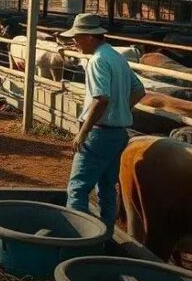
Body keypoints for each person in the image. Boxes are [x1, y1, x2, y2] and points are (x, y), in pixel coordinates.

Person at [58, 13, 145, 228]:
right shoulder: (117, 57)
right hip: (118, 134)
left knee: (77, 189)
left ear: (89, 37)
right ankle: (106, 235)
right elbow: (139, 90)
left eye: (76, 38)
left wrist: (83, 132)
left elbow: (101, 99)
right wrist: (121, 110)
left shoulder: (97, 61)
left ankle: (76, 237)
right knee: (107, 186)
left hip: (98, 133)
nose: (74, 43)